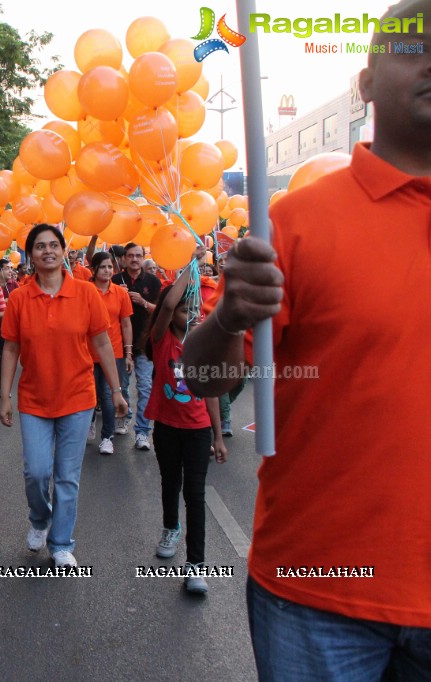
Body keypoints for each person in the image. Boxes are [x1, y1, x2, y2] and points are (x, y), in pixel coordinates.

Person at [183, 1, 431, 675]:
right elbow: (206, 383)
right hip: (314, 593)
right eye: (415, 47)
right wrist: (227, 317)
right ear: (365, 82)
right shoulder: (290, 223)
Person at [0, 224, 128, 569]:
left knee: (67, 477)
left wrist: (116, 391)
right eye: (40, 246)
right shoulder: (18, 299)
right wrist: (4, 396)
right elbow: (10, 349)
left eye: (53, 245)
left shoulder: (86, 294)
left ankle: (61, 543)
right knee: (37, 472)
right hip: (34, 400)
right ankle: (40, 519)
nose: (48, 251)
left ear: (62, 251)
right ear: (31, 255)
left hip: (78, 398)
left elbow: (102, 343)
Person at [144, 249, 227, 595]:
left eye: (192, 308)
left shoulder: (201, 344)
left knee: (195, 494)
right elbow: (164, 306)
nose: (188, 312)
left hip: (197, 430)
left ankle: (196, 565)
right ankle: (170, 527)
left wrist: (218, 437)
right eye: (183, 307)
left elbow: (209, 393)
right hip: (166, 426)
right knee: (169, 483)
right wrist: (190, 265)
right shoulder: (161, 340)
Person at [113, 242, 163, 451]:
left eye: (138, 256)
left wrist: (142, 301)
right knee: (121, 388)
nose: (134, 259)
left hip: (145, 344)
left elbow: (160, 311)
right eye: (130, 256)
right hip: (120, 345)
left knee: (145, 388)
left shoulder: (152, 281)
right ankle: (124, 417)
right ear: (124, 258)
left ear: (143, 258)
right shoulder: (115, 280)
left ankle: (142, 432)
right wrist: (117, 294)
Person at [87, 251, 133, 454]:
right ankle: (87, 424)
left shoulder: (121, 293)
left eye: (109, 267)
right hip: (87, 352)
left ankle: (107, 436)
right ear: (94, 269)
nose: (107, 271)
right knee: (88, 395)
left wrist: (129, 353)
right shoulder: (86, 291)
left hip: (113, 353)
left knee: (108, 395)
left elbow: (125, 324)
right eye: (103, 267)